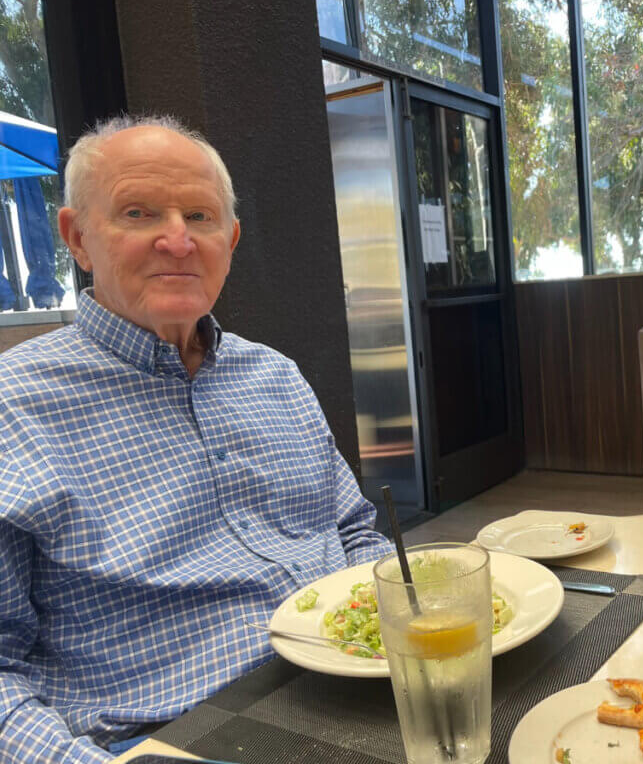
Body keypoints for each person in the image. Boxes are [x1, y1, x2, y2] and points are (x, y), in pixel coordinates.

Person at [0, 115, 394, 763]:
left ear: (231, 239)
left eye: (201, 218)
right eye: (138, 212)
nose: (178, 241)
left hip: (356, 679)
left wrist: (404, 625)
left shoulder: (275, 376)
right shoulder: (15, 407)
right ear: (75, 236)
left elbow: (355, 531)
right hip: (173, 735)